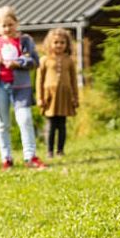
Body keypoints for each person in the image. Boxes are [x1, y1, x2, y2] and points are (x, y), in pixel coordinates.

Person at [0, 5, 47, 170]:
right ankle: (6, 158)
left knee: (25, 119)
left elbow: (34, 61)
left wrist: (18, 62)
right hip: (0, 86)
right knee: (2, 124)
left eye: (10, 24)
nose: (7, 28)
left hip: (21, 86)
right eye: (3, 25)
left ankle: (30, 156)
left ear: (16, 23)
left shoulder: (25, 40)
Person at [36, 28, 79, 158]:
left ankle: (60, 150)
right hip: (50, 97)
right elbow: (39, 80)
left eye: (62, 42)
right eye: (56, 42)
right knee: (51, 124)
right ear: (50, 43)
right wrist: (40, 97)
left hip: (65, 96)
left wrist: (75, 97)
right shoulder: (44, 60)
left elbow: (74, 81)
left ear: (67, 44)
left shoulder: (69, 61)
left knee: (62, 124)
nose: (59, 45)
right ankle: (49, 151)